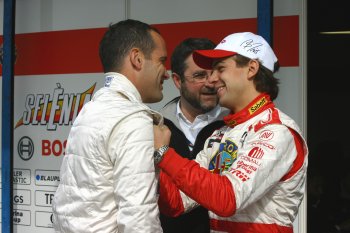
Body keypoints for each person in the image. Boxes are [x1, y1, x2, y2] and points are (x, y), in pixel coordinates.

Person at [154, 32, 308, 232]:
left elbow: (227, 199)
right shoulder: (222, 134)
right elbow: (176, 202)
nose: (213, 78)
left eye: (220, 68)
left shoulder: (276, 130)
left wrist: (165, 153)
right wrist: (154, 159)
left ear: (251, 69)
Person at [52, 19, 169, 233]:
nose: (167, 73)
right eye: (162, 60)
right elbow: (139, 218)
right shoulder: (132, 119)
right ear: (137, 59)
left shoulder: (91, 109)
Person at [159, 38, 229, 233]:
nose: (210, 83)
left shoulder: (236, 126)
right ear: (177, 80)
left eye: (215, 73)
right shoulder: (155, 127)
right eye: (199, 76)